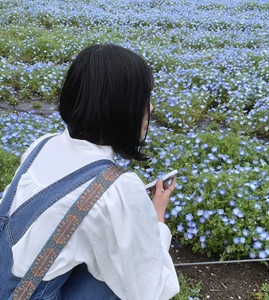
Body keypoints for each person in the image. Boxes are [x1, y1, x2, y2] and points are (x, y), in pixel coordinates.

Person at [0, 44, 180, 299]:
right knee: (119, 278)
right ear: (121, 108)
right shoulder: (117, 188)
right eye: (143, 99)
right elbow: (150, 289)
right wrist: (157, 221)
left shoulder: (43, 144)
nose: (150, 109)